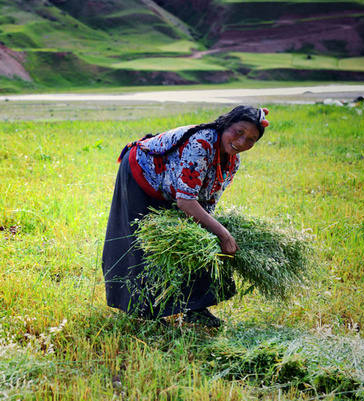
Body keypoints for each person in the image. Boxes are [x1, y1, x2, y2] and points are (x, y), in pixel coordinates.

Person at [102, 105, 269, 327]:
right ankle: (143, 312)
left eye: (251, 140)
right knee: (141, 242)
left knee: (197, 240)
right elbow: (185, 201)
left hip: (173, 186)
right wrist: (223, 233)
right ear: (226, 124)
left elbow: (207, 200)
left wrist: (209, 231)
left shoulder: (232, 161)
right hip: (142, 175)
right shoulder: (201, 143)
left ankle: (195, 308)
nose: (242, 142)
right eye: (239, 131)